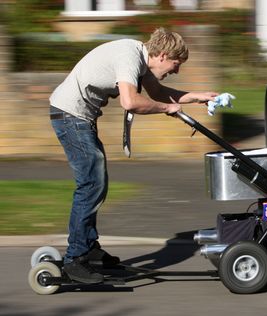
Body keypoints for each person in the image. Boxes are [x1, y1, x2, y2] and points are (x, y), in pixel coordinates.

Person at [49, 27, 218, 284]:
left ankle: (89, 249)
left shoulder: (139, 59)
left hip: (77, 118)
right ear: (162, 55)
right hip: (70, 116)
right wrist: (166, 109)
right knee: (91, 184)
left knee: (96, 183)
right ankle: (76, 259)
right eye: (176, 63)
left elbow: (158, 93)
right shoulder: (129, 56)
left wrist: (197, 97)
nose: (176, 70)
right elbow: (130, 101)